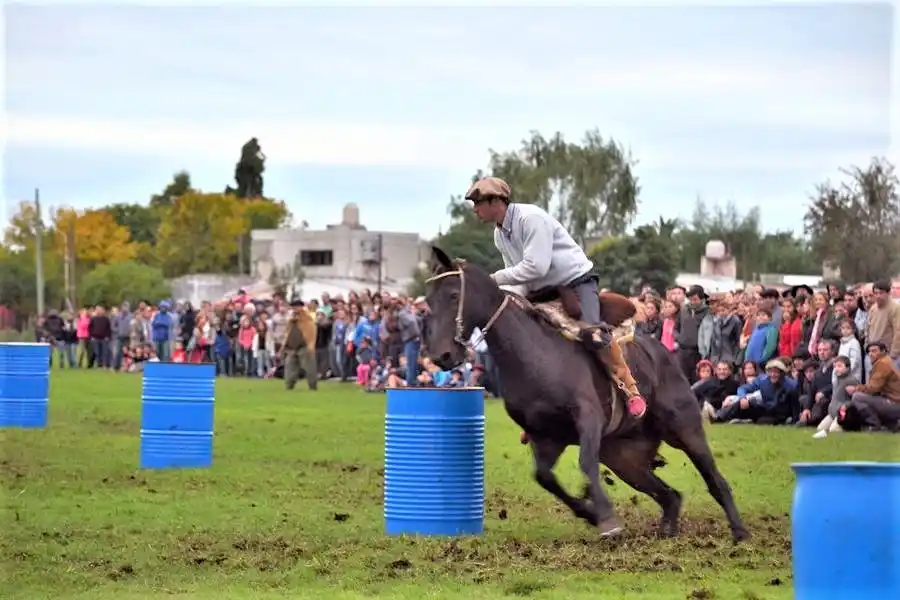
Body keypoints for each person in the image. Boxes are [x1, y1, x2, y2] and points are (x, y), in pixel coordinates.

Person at [464, 176, 646, 434]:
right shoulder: (499, 235)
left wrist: (493, 280)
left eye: (478, 203)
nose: (475, 209)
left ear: (497, 201)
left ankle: (632, 391)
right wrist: (507, 298)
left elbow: (535, 266)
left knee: (594, 333)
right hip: (542, 288)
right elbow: (518, 276)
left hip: (577, 281)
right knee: (529, 340)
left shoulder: (531, 219)